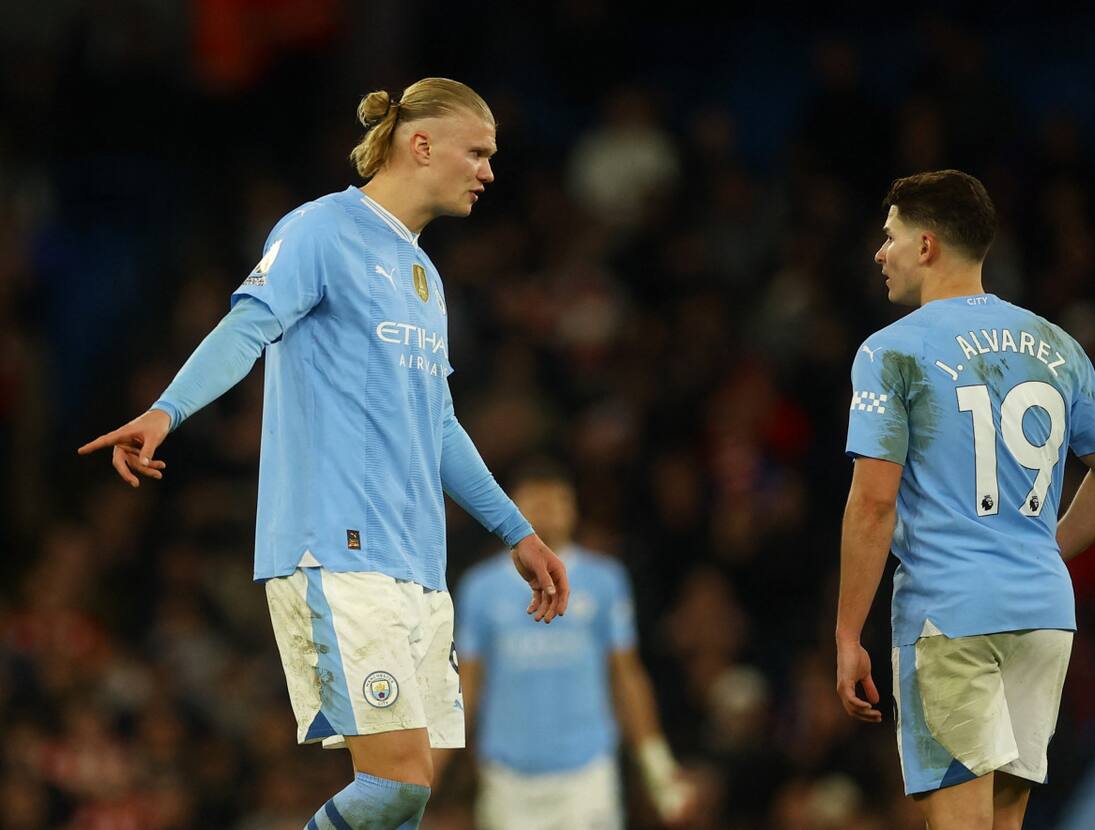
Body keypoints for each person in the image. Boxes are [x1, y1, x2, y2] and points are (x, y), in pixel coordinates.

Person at [78, 78, 570, 830]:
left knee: (403, 808)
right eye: (478, 152)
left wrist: (518, 532)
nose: (489, 173)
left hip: (415, 565)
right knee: (396, 786)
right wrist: (167, 410)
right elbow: (249, 326)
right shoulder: (320, 230)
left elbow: (437, 425)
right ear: (422, 144)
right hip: (336, 551)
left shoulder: (426, 279)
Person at [834, 170, 1095, 830]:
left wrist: (845, 634)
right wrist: (1040, 550)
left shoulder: (891, 352)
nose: (878, 253)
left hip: (951, 617)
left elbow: (871, 505)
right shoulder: (1054, 344)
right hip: (1042, 616)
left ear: (925, 245)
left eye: (888, 237)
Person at [453, 461, 694, 830]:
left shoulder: (605, 580)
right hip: (507, 778)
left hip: (588, 774)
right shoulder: (480, 588)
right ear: (511, 505)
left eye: (558, 500)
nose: (547, 510)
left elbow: (626, 675)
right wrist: (428, 767)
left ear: (575, 508)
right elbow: (465, 687)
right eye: (535, 500)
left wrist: (657, 766)